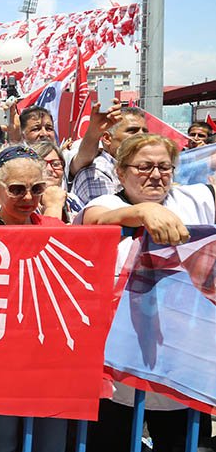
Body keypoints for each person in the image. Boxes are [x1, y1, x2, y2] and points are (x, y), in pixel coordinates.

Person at [76, 133, 215, 452]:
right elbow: (97, 220)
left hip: (183, 363)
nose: (155, 174)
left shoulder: (196, 199)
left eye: (164, 167)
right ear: (121, 172)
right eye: (144, 166)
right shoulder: (107, 202)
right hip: (120, 363)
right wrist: (142, 213)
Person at [0, 145, 67, 452]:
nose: (28, 198)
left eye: (37, 188)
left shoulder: (56, 229)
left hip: (49, 367)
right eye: (16, 189)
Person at [72, 106, 147, 205]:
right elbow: (106, 215)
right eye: (132, 131)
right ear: (107, 138)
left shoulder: (153, 170)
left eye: (145, 131)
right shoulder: (95, 173)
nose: (142, 137)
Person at [30, 141, 82, 223]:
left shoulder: (73, 200)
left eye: (56, 164)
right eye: (42, 164)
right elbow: (47, 235)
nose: (50, 169)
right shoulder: (26, 204)